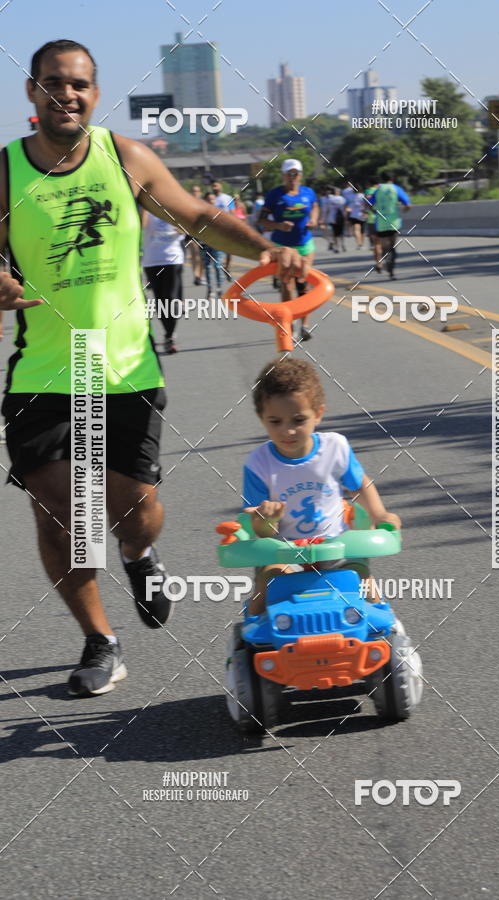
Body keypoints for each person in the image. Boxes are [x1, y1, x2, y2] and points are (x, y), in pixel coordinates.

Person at [0, 39, 303, 697]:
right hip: (42, 375)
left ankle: (139, 557)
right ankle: (100, 641)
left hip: (126, 370)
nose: (66, 94)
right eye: (53, 83)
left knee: (131, 512)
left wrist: (267, 249)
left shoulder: (124, 157)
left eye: (78, 84)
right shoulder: (6, 173)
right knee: (60, 512)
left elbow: (198, 216)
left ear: (94, 93)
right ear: (32, 92)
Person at [241, 358, 401, 614]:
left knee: (360, 578)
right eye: (275, 421)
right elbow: (258, 529)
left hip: (335, 546)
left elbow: (359, 485)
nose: (288, 431)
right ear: (262, 418)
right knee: (269, 580)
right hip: (285, 552)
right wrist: (266, 520)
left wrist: (379, 514)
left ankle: (388, 630)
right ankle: (251, 638)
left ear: (318, 414)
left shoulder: (334, 447)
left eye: (298, 420)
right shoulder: (258, 464)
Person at [259, 159, 319, 342]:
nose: (293, 177)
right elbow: (261, 219)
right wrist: (278, 225)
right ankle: (289, 324)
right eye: (289, 174)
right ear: (283, 175)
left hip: (304, 244)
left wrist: (314, 220)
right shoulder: (274, 195)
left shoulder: (308, 192)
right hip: (282, 247)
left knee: (304, 282)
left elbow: (315, 206)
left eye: (296, 174)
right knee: (287, 285)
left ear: (300, 175)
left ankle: (305, 325)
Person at [142, 209, 184, 354]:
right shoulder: (145, 209)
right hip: (151, 261)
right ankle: (168, 334)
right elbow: (142, 225)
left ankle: (170, 335)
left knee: (170, 299)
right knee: (160, 301)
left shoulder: (173, 207)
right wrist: (144, 208)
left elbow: (188, 227)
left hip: (173, 258)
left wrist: (183, 228)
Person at [370, 170, 411, 280]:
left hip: (381, 223)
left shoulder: (377, 190)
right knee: (392, 247)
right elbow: (408, 205)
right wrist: (403, 211)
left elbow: (370, 204)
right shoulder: (396, 188)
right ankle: (391, 270)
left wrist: (375, 212)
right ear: (392, 179)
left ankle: (385, 258)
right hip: (394, 222)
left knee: (384, 246)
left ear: (382, 179)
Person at [201, 192, 224, 299]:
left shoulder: (219, 213)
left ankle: (219, 288)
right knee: (207, 267)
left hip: (216, 243)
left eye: (213, 199)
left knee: (217, 266)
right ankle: (210, 289)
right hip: (204, 244)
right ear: (205, 200)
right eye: (209, 199)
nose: (211, 201)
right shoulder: (202, 213)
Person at [211, 180, 235, 280]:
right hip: (214, 229)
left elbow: (232, 211)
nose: (215, 188)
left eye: (216, 186)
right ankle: (219, 269)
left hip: (226, 227)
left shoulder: (227, 198)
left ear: (221, 186)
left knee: (230, 250)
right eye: (213, 186)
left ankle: (227, 267)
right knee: (217, 251)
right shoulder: (210, 199)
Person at [185, 184, 204, 285]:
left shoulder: (203, 205)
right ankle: (196, 276)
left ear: (200, 193)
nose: (195, 193)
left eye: (197, 191)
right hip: (190, 233)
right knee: (194, 255)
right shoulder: (187, 204)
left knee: (202, 258)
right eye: (193, 191)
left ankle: (200, 276)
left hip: (202, 234)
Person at [320, 186, 346, 253]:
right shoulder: (342, 199)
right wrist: (346, 218)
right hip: (341, 218)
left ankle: (337, 247)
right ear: (337, 192)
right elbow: (344, 209)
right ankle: (342, 244)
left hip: (332, 218)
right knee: (341, 232)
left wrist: (323, 219)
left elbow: (325, 210)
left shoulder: (329, 200)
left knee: (335, 233)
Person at [363, 176, 380, 271]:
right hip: (384, 218)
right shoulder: (381, 190)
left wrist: (365, 212)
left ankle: (378, 262)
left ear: (369, 183)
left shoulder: (368, 191)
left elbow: (367, 204)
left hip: (371, 219)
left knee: (376, 243)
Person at [345, 183, 367, 250]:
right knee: (362, 230)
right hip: (362, 214)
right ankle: (362, 244)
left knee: (356, 230)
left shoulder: (351, 197)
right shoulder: (363, 196)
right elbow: (366, 205)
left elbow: (348, 207)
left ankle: (359, 244)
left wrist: (346, 216)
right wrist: (366, 212)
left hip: (353, 215)